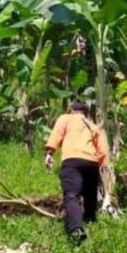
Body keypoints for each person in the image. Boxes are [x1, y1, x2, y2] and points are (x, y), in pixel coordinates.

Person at [45, 101, 109, 245]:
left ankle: (76, 229)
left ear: (72, 110)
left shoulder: (65, 118)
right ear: (85, 112)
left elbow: (56, 134)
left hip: (72, 161)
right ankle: (91, 221)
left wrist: (50, 153)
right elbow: (103, 150)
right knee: (90, 195)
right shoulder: (92, 125)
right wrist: (97, 165)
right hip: (91, 162)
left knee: (72, 195)